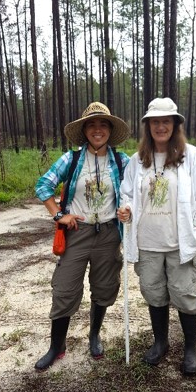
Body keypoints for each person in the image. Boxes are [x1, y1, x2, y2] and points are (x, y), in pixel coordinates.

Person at [117, 98, 196, 376]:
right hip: (147, 242)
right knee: (154, 292)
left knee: (184, 293)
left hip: (178, 242)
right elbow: (128, 194)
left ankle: (190, 350)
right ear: (148, 126)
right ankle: (160, 343)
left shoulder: (190, 156)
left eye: (166, 121)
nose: (161, 126)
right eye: (155, 121)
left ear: (175, 125)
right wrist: (126, 209)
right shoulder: (138, 161)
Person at [31, 102, 131, 370]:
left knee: (105, 287)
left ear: (110, 130)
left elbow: (136, 193)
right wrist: (58, 214)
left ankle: (94, 335)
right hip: (77, 233)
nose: (97, 130)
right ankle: (56, 346)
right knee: (64, 288)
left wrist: (128, 210)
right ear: (84, 130)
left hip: (109, 233)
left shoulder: (123, 161)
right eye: (92, 124)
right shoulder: (71, 159)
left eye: (103, 124)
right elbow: (44, 185)